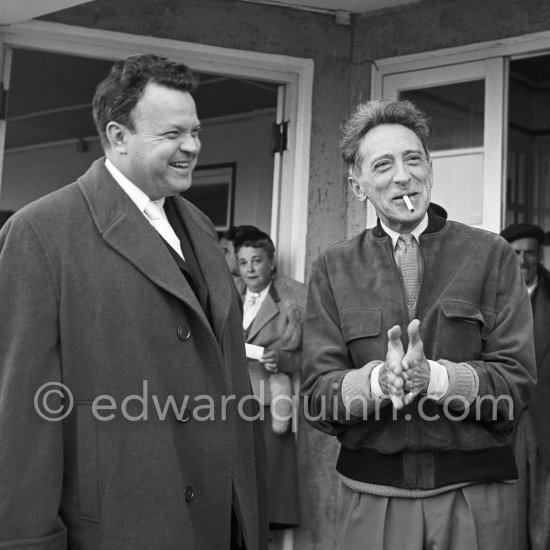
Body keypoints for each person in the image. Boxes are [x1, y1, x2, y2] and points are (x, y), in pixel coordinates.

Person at [0, 54, 267, 550]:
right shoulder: (39, 233)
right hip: (125, 526)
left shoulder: (203, 229)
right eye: (171, 134)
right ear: (117, 136)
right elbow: (22, 419)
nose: (192, 146)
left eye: (196, 131)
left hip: (220, 523)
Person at [301, 98, 537, 550]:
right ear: (358, 185)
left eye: (413, 159)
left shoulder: (491, 255)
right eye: (383, 164)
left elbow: (518, 382)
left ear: (430, 167)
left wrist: (438, 379)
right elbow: (316, 398)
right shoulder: (332, 268)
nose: (403, 176)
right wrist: (375, 383)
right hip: (373, 498)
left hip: (476, 496)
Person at [235, 228, 305, 533]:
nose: (249, 268)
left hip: (269, 403)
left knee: (268, 491)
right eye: (243, 261)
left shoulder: (293, 297)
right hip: (226, 403)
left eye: (257, 260)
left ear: (271, 262)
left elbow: (314, 354)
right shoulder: (227, 293)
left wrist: (284, 360)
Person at [501, 222, 550, 550]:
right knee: (509, 501)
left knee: (544, 505)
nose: (523, 260)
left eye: (530, 252)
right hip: (508, 415)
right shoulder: (494, 299)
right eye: (516, 253)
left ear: (540, 256)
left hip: (547, 416)